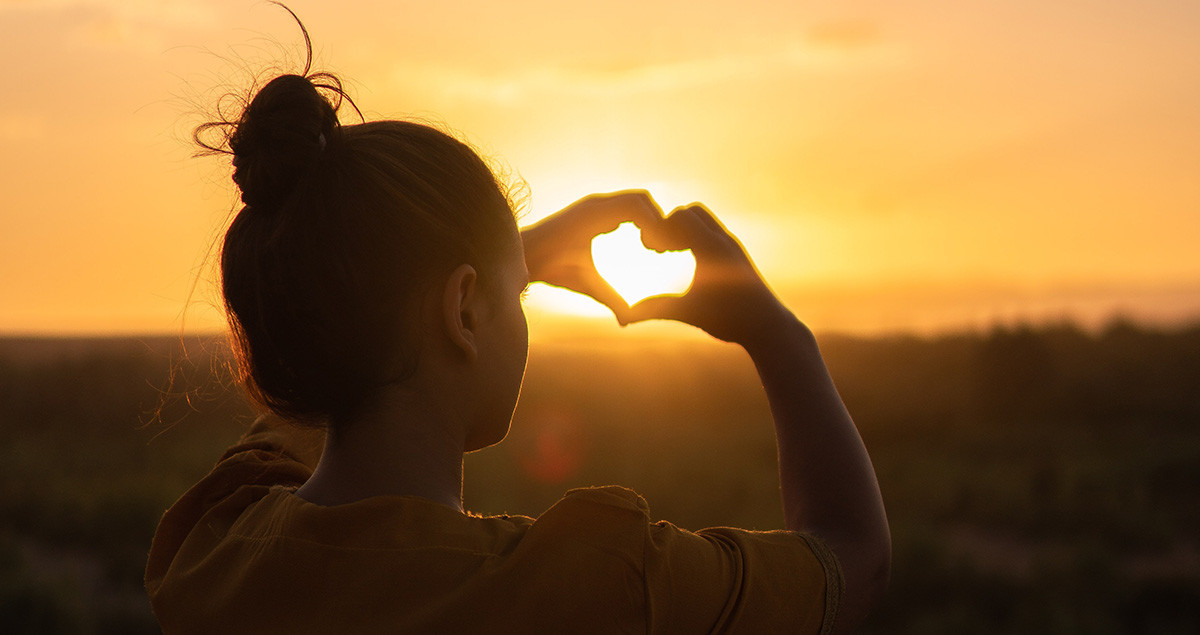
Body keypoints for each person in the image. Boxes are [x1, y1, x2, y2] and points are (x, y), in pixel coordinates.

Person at [145, 47, 890, 634]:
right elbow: (850, 557)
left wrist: (490, 262)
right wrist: (777, 332)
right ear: (463, 309)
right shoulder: (595, 583)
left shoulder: (213, 550)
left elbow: (319, 363)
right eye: (516, 292)